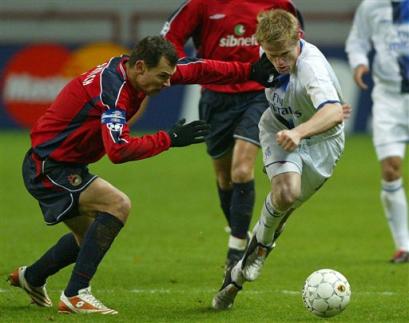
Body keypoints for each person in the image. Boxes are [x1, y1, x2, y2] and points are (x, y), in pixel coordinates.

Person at [8, 36, 276, 315]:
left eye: (169, 76)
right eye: (162, 76)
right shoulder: (113, 91)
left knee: (87, 238)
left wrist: (248, 71)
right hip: (49, 167)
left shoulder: (138, 72)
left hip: (65, 164)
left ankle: (33, 277)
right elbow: (119, 150)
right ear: (139, 67)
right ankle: (76, 294)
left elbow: (198, 69)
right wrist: (169, 138)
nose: (167, 83)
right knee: (117, 204)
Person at [211, 9, 347, 310]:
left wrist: (300, 132)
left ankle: (240, 271)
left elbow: (334, 112)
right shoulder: (268, 50)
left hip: (321, 142)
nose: (279, 62)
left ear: (299, 37)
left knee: (285, 207)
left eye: (284, 54)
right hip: (277, 129)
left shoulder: (311, 69)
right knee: (286, 193)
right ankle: (257, 254)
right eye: (272, 56)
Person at [161, 0, 303, 271]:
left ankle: (236, 249)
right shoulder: (200, 4)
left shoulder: (279, 3)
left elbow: (296, 39)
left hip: (257, 94)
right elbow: (170, 40)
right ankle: (241, 234)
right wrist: (186, 68)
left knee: (241, 169)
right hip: (215, 98)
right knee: (225, 178)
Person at [346, 0, 409, 263]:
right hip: (388, 98)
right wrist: (359, 63)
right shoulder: (370, 6)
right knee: (391, 168)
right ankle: (404, 246)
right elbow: (357, 40)